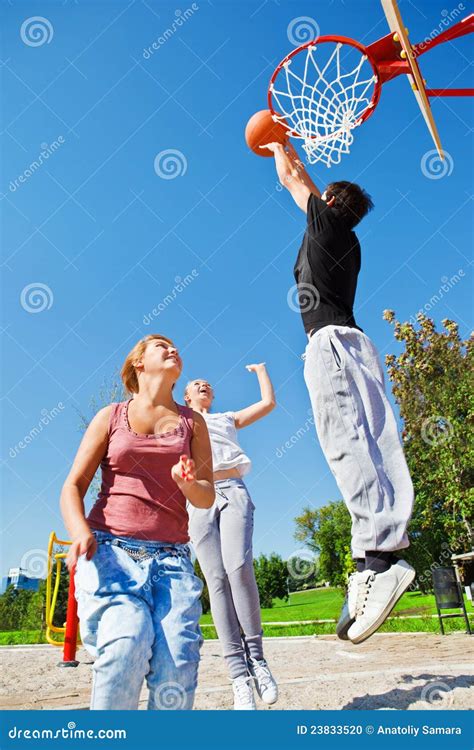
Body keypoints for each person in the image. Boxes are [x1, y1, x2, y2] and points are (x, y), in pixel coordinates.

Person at [263, 141, 415, 644]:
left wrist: (279, 142)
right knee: (369, 444)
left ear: (329, 203)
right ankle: (368, 562)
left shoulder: (328, 227)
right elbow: (303, 186)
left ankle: (381, 560)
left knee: (346, 445)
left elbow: (292, 181)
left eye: (321, 198)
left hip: (331, 343)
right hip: (352, 344)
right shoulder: (341, 237)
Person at [60, 334, 215, 710]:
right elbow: (73, 486)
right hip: (111, 552)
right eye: (162, 345)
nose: (173, 348)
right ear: (138, 363)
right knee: (126, 642)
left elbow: (206, 495)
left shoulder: (192, 423)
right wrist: (80, 533)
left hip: (171, 560)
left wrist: (189, 484)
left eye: (176, 346)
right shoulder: (110, 416)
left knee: (178, 664)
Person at [184, 363, 278, 709]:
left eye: (207, 381)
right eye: (197, 382)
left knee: (238, 567)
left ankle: (258, 661)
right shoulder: (180, 420)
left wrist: (261, 372)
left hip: (232, 489)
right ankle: (238, 676)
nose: (204, 383)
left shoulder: (226, 418)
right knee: (216, 580)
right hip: (198, 498)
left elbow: (268, 403)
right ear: (187, 395)